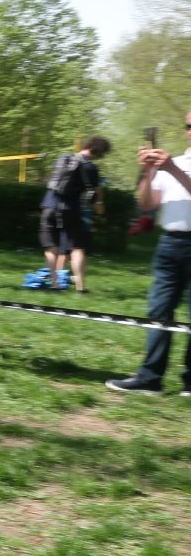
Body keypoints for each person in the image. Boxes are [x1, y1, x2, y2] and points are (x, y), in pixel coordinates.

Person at [106, 119, 191, 396]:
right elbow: (147, 204)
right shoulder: (174, 162)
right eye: (189, 125)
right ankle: (150, 379)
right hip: (170, 244)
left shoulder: (174, 165)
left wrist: (172, 168)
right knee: (158, 311)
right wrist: (148, 172)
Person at [40, 136, 110, 294]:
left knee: (51, 247)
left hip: (49, 205)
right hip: (70, 208)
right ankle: (80, 288)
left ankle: (54, 285)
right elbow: (95, 193)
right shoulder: (91, 167)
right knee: (77, 247)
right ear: (100, 152)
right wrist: (99, 206)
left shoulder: (63, 158)